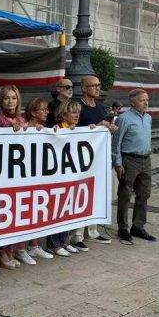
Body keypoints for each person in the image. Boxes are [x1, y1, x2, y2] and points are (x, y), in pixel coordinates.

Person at [47, 99, 96, 256]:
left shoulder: (76, 129)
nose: (77, 115)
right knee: (57, 211)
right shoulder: (57, 128)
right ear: (64, 113)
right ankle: (53, 244)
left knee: (69, 209)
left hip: (72, 177)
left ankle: (64, 241)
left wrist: (92, 131)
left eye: (78, 112)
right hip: (58, 178)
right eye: (73, 112)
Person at [77, 75, 117, 244]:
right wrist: (91, 128)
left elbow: (105, 128)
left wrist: (110, 128)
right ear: (84, 88)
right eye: (92, 85)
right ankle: (77, 234)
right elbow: (71, 128)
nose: (97, 88)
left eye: (98, 85)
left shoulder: (101, 108)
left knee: (97, 194)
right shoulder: (77, 106)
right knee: (81, 194)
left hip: (99, 158)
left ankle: (92, 231)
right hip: (81, 158)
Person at [113, 88, 155, 244]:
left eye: (147, 100)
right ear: (133, 102)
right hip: (129, 160)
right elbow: (116, 143)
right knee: (125, 195)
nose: (146, 103)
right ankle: (123, 228)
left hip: (146, 159)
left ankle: (138, 226)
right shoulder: (124, 118)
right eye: (142, 100)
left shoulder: (149, 117)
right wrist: (117, 163)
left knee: (144, 194)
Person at [0, 85, 28, 269]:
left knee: (16, 214)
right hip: (4, 174)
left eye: (13, 98)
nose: (10, 101)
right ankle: (1, 252)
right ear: (1, 101)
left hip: (19, 173)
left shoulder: (21, 119)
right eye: (6, 98)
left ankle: (11, 250)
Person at [19, 99, 55, 263]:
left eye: (47, 109)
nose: (46, 112)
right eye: (43, 109)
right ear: (33, 112)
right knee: (24, 211)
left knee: (37, 211)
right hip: (25, 177)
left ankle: (33, 245)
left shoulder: (45, 129)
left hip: (41, 176)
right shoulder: (24, 127)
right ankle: (20, 248)